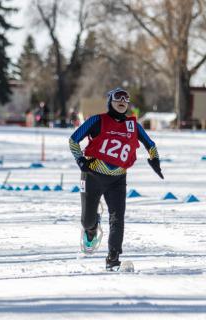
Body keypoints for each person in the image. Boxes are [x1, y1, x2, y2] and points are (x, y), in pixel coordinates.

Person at [69, 87, 164, 271]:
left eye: (125, 99)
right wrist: (80, 160)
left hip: (118, 179)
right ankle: (92, 226)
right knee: (87, 221)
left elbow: (150, 144)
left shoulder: (132, 125)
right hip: (92, 175)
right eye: (118, 98)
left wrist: (155, 159)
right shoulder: (98, 120)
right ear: (110, 101)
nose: (122, 101)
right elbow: (73, 140)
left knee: (117, 218)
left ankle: (113, 258)